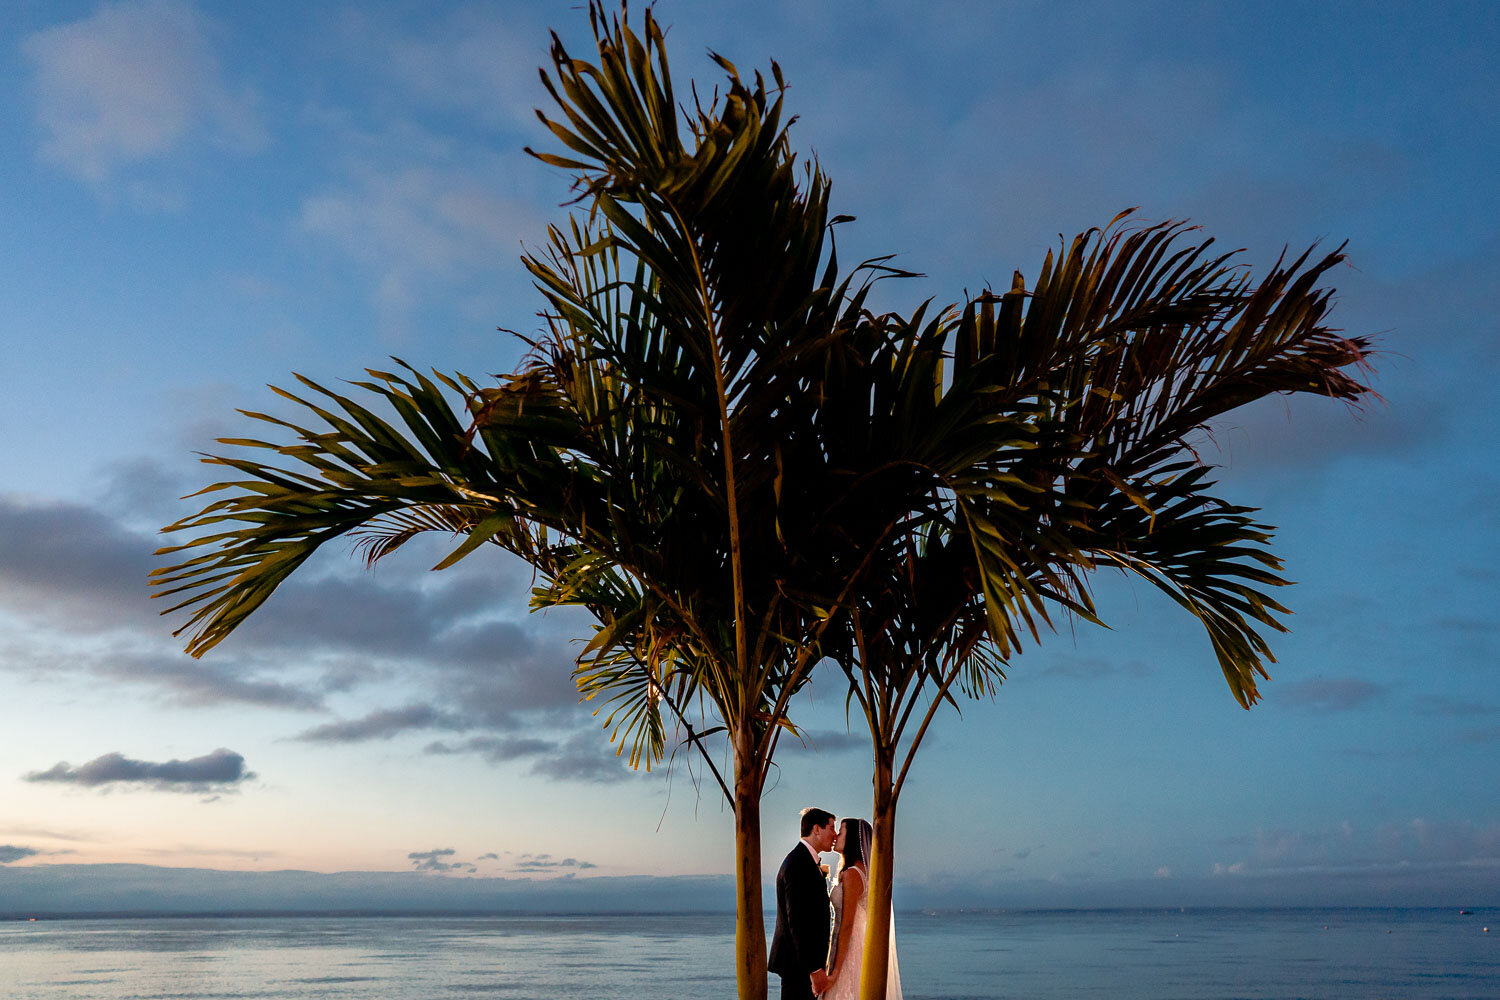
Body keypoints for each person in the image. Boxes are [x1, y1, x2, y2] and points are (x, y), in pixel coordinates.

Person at [822, 818, 902, 1000]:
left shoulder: (852, 875)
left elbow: (848, 924)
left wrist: (835, 971)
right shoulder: (859, 872)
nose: (836, 836)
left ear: (851, 839)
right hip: (855, 945)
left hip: (849, 949)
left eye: (841, 832)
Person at [768, 807, 836, 1000]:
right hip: (797, 966)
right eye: (831, 827)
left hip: (801, 965)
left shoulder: (804, 861)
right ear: (816, 829)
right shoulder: (799, 863)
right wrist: (814, 969)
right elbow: (798, 921)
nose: (835, 834)